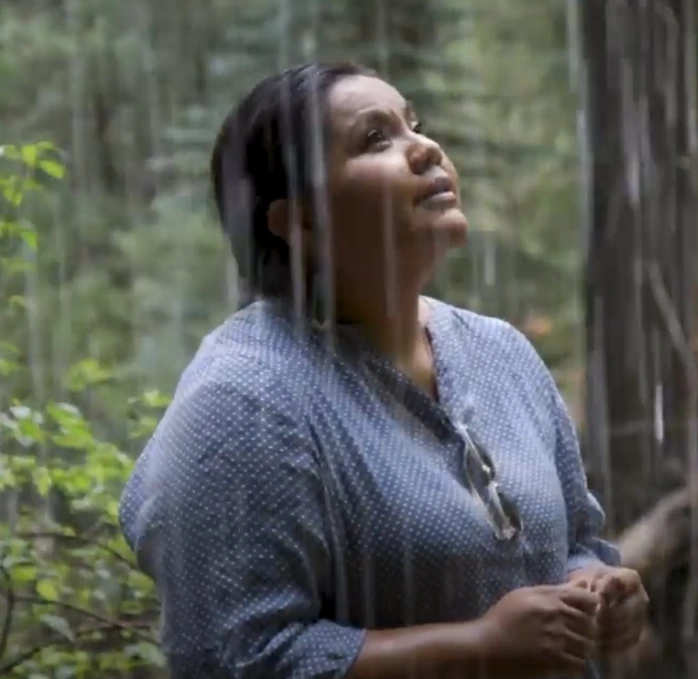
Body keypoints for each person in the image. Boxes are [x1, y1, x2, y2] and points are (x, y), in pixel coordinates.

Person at [118, 61, 648, 679]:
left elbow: (576, 540)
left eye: (414, 125)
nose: (425, 148)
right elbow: (236, 659)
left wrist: (598, 587)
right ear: (299, 223)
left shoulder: (501, 353)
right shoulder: (243, 401)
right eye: (376, 139)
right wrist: (477, 648)